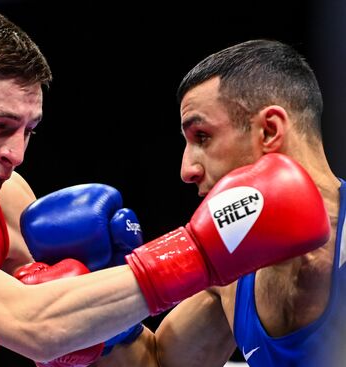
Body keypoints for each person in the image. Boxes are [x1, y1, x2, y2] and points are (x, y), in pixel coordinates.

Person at [0, 7, 330, 365]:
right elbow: (33, 324)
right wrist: (200, 250)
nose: (16, 154)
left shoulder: (4, 201)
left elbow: (103, 337)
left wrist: (107, 296)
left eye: (29, 130)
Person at [88, 39, 346, 366]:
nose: (186, 170)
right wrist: (107, 322)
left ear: (269, 131)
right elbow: (157, 361)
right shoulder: (233, 269)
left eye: (203, 137)